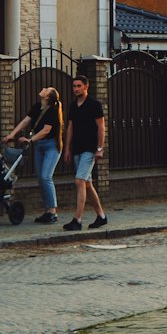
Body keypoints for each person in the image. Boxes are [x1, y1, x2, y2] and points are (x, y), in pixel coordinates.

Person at [6, 87, 63, 224]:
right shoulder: (37, 106)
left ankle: (53, 212)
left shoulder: (53, 110)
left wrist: (30, 140)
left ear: (48, 97)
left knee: (46, 176)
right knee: (41, 178)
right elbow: (25, 121)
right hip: (39, 146)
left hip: (51, 146)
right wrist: (12, 135)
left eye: (46, 89)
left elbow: (46, 130)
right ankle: (47, 211)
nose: (43, 89)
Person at [62, 73, 107, 232]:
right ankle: (101, 216)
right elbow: (70, 127)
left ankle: (77, 220)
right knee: (87, 184)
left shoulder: (94, 104)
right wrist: (67, 148)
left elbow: (101, 127)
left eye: (79, 86)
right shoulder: (73, 106)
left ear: (86, 87)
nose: (76, 89)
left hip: (90, 149)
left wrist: (100, 148)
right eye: (74, 86)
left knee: (79, 181)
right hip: (77, 149)